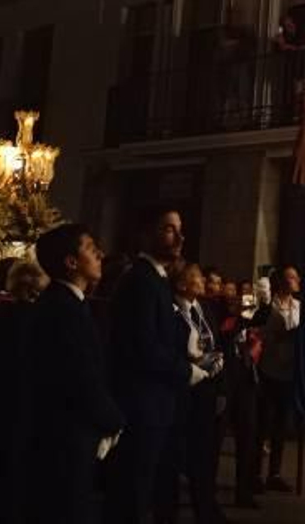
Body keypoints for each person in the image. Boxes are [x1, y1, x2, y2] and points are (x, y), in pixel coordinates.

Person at [107, 208, 203, 524]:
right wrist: (186, 370)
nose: (179, 236)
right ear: (147, 234)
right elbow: (144, 347)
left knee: (149, 486)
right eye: (169, 229)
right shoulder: (140, 281)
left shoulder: (158, 280)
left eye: (180, 229)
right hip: (142, 404)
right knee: (133, 491)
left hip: (158, 403)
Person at [28, 225, 124, 524]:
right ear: (71, 262)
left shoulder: (70, 304)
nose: (100, 255)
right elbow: (80, 375)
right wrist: (113, 419)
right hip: (67, 433)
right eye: (91, 248)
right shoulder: (63, 309)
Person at [0, 261, 47, 524]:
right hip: (25, 402)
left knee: (1, 468)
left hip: (0, 399)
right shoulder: (37, 319)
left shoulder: (0, 316)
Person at [172, 262, 226, 524]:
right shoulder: (172, 312)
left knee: (205, 455)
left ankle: (206, 509)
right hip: (182, 390)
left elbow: (215, 341)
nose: (203, 280)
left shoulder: (205, 310)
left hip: (207, 389)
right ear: (182, 284)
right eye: (197, 277)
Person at [216, 287, 263, 510]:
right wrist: (239, 318)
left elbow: (256, 346)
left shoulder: (251, 324)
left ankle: (243, 490)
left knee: (248, 437)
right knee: (215, 438)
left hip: (246, 383)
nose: (244, 305)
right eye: (238, 300)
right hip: (227, 383)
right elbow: (227, 333)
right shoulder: (226, 320)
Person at [255, 265, 301, 492]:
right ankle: (255, 473)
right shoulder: (269, 307)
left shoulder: (299, 307)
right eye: (291, 277)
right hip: (269, 370)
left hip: (288, 373)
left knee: (281, 427)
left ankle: (275, 473)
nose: (296, 281)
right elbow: (263, 334)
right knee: (263, 423)